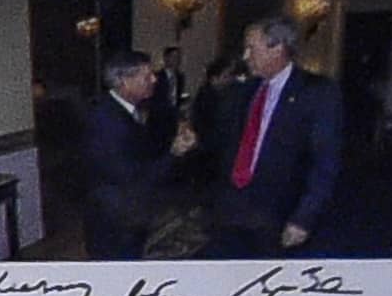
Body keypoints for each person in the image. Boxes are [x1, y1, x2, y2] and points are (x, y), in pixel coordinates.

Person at [182, 16, 344, 257]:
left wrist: (304, 217)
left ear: (277, 48)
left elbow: (325, 162)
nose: (245, 57)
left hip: (277, 212)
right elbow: (225, 141)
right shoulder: (242, 90)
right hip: (230, 207)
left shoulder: (317, 92)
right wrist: (195, 141)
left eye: (251, 49)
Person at [77, 51, 181, 259]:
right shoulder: (107, 120)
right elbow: (132, 176)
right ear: (125, 81)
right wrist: (174, 154)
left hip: (128, 214)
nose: (154, 79)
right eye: (147, 76)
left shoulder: (124, 110)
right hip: (115, 220)